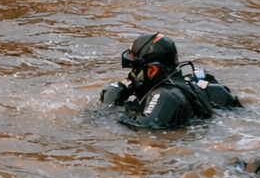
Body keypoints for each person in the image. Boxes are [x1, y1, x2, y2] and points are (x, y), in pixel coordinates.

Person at [100, 33, 241, 129]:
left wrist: (111, 103)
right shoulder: (187, 76)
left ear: (152, 70)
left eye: (136, 69)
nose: (132, 74)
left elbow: (145, 127)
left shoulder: (165, 95)